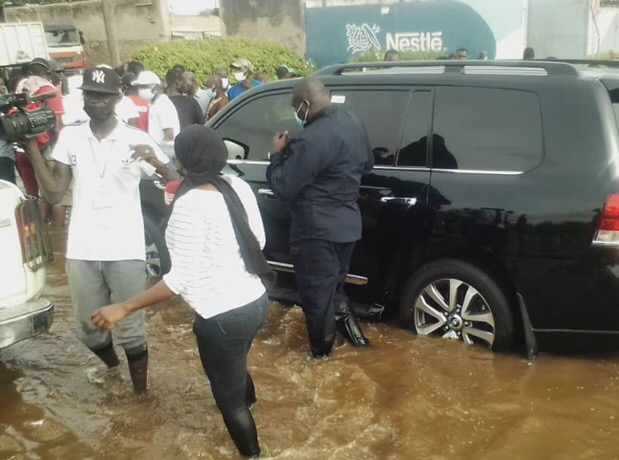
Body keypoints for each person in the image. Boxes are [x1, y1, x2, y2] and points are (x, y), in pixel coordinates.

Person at [91, 125, 273, 458]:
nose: (175, 159)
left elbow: (178, 281)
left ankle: (253, 454)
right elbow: (258, 241)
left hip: (222, 315)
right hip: (256, 299)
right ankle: (253, 406)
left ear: (187, 162)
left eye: (179, 154)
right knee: (237, 366)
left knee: (228, 403)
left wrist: (124, 307)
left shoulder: (190, 206)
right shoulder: (238, 185)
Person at [24, 66, 177, 393]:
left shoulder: (136, 138)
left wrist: (159, 163)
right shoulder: (70, 137)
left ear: (117, 98)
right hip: (82, 249)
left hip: (126, 248)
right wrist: (32, 147)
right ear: (83, 98)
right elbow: (53, 193)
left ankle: (140, 396)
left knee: (132, 330)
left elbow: (173, 181)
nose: (96, 101)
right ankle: (113, 368)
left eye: (104, 95)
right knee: (88, 329)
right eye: (91, 95)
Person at [266, 77, 372, 358]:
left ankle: (322, 363)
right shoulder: (354, 122)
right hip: (347, 227)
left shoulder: (309, 138)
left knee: (316, 301)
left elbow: (284, 186)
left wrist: (276, 156)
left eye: (295, 107)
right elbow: (368, 166)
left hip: (316, 232)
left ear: (305, 104)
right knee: (334, 292)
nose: (295, 113)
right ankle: (362, 348)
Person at [20, 58, 68, 227]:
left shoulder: (23, 87)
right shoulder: (48, 89)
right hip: (47, 148)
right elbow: (58, 126)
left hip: (27, 147)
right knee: (58, 195)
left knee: (39, 194)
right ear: (48, 73)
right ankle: (58, 238)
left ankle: (39, 234)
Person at [133, 71, 180, 158]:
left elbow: (169, 134)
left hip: (164, 153)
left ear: (155, 87)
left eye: (143, 87)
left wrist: (160, 154)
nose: (140, 90)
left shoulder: (163, 104)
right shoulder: (155, 104)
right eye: (139, 87)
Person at [0, 78, 16, 184]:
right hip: (3, 155)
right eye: (0, 84)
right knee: (8, 186)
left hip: (5, 153)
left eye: (3, 84)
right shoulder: (4, 103)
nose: (2, 86)